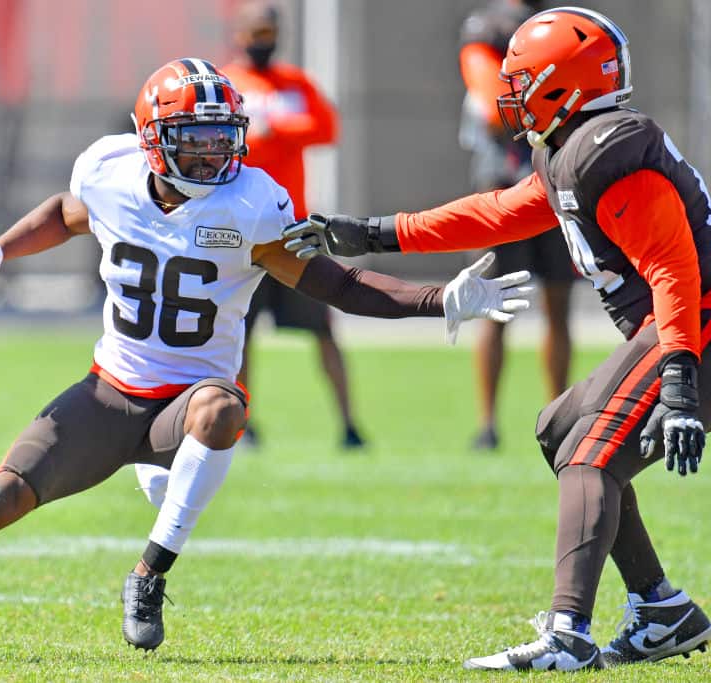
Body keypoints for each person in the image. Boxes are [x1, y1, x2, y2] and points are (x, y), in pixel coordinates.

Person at [0, 57, 531, 659]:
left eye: (223, 138)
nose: (215, 153)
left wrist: (440, 301)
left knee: (224, 405)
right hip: (109, 393)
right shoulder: (109, 171)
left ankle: (149, 570)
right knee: (0, 493)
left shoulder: (253, 203)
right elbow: (66, 214)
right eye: (195, 139)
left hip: (184, 405)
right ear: (153, 142)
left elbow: (336, 285)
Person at [284, 6, 711, 671]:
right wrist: (372, 231)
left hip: (694, 326)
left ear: (563, 84)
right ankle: (661, 609)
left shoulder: (613, 154)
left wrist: (680, 382)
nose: (512, 94)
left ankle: (568, 632)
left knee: (591, 455)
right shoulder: (572, 149)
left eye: (526, 80)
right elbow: (496, 213)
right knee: (557, 429)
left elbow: (673, 268)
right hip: (681, 324)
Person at [221, 1, 365, 450]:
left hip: (292, 228)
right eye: (255, 32)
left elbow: (324, 126)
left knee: (322, 327)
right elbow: (231, 141)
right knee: (240, 335)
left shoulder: (294, 82)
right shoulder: (229, 82)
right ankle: (242, 422)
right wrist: (264, 134)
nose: (261, 42)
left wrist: (274, 130)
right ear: (240, 34)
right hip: (243, 229)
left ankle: (349, 424)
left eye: (269, 33)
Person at [458, 0, 575, 451]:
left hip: (556, 180)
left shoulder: (560, 20)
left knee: (559, 306)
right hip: (505, 183)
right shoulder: (486, 26)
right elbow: (492, 107)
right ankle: (487, 424)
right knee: (495, 307)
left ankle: (559, 418)